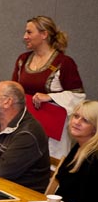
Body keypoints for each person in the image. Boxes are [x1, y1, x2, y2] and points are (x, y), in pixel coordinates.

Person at [12, 15, 86, 159]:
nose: (25, 36)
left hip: (52, 131)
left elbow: (79, 96)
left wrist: (50, 97)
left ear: (44, 34)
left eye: (29, 32)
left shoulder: (64, 63)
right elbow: (14, 90)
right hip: (24, 124)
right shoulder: (23, 59)